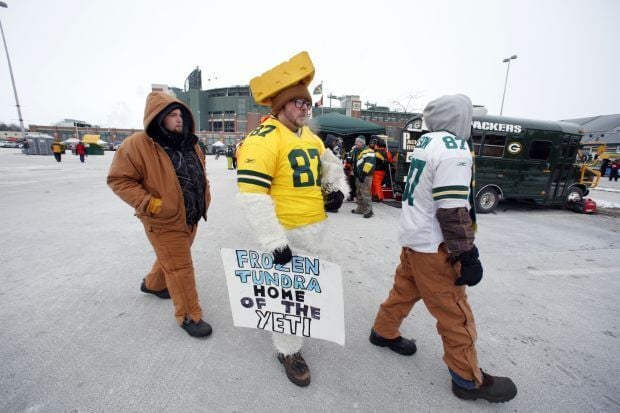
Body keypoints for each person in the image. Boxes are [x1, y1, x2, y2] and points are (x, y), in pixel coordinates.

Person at [369, 94, 517, 403]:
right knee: (454, 313)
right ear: (459, 118)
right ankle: (466, 379)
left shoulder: (427, 141)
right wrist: (466, 253)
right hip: (434, 246)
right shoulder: (454, 150)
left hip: (413, 237)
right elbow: (451, 208)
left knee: (403, 291)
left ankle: (383, 331)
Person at [236, 52, 349, 387]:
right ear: (281, 105)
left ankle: (289, 334)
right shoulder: (264, 137)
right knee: (289, 298)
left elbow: (330, 167)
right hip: (286, 229)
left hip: (315, 228)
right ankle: (288, 352)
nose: (304, 108)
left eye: (307, 103)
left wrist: (336, 188)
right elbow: (252, 195)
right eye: (298, 102)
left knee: (307, 292)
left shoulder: (310, 138)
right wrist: (273, 241)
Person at [107, 91, 213, 339]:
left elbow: (198, 170)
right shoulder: (137, 145)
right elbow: (119, 179)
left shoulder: (190, 143)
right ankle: (189, 315)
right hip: (163, 219)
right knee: (181, 268)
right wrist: (150, 204)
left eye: (180, 115)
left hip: (191, 216)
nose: (179, 120)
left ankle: (153, 284)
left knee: (173, 259)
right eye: (172, 115)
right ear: (157, 118)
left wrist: (203, 194)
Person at [350, 135, 376, 218]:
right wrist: (352, 151)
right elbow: (351, 158)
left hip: (366, 176)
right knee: (358, 193)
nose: (355, 143)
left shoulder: (369, 151)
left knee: (365, 193)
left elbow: (369, 164)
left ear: (361, 142)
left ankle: (369, 210)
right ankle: (361, 209)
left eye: (357, 142)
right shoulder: (356, 150)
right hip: (357, 175)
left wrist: (364, 174)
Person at [369, 135, 392, 203]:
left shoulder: (375, 152)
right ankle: (373, 195)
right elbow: (390, 160)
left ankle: (379, 196)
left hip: (376, 170)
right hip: (383, 170)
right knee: (374, 183)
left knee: (376, 183)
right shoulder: (386, 152)